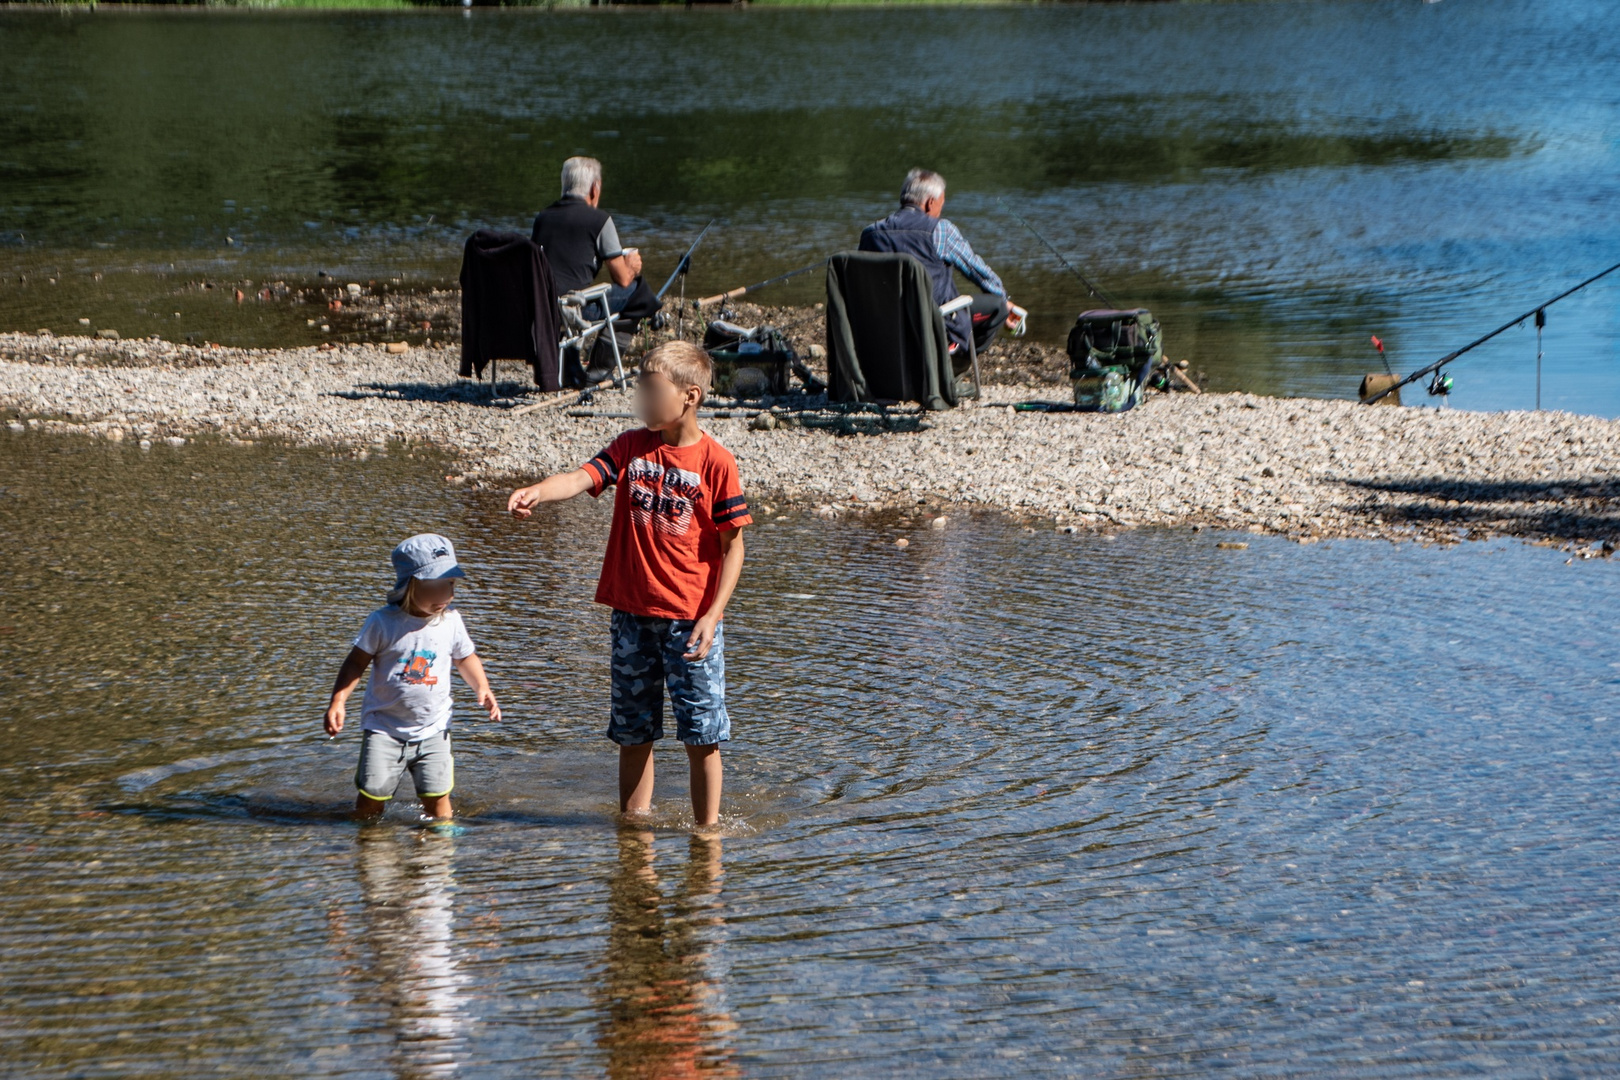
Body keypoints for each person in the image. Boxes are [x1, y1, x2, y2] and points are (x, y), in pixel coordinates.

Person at [506, 341, 750, 829]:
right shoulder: (630, 446)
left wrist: (713, 613)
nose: (641, 399)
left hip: (690, 624)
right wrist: (540, 490)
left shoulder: (716, 463)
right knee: (633, 733)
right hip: (631, 619)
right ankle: (633, 836)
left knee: (701, 734)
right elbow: (580, 477)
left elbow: (733, 547)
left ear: (690, 396)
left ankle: (708, 836)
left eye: (651, 390)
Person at [324, 534, 501, 822]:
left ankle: (442, 841)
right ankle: (367, 840)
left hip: (434, 728)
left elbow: (465, 657)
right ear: (410, 586)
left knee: (438, 796)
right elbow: (356, 662)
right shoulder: (383, 622)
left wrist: (482, 687)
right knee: (372, 797)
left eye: (451, 586)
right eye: (437, 587)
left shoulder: (451, 621)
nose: (447, 595)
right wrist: (338, 700)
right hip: (384, 727)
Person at [531, 156, 662, 382]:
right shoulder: (599, 220)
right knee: (639, 292)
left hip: (542, 308)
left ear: (564, 185)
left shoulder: (543, 218)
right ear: (594, 188)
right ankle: (599, 368)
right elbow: (621, 278)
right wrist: (632, 266)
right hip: (576, 309)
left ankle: (568, 363)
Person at [859, 167, 1013, 356]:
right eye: (942, 204)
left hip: (885, 326)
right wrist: (1005, 301)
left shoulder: (870, 234)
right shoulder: (940, 230)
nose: (941, 210)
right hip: (934, 323)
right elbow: (976, 270)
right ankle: (950, 372)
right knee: (997, 305)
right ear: (930, 203)